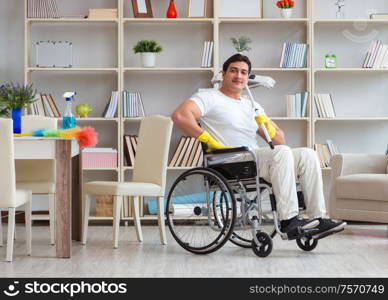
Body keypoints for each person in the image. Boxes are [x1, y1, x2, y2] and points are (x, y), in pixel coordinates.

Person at [171, 53, 346, 240]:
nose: (238, 76)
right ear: (223, 74)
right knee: (281, 153)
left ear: (247, 78)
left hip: (252, 159)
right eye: (233, 71)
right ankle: (288, 220)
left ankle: (318, 218)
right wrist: (208, 139)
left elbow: (280, 140)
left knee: (307, 154)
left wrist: (265, 123)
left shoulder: (251, 105)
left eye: (243, 72)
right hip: (228, 160)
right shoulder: (209, 96)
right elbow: (180, 116)